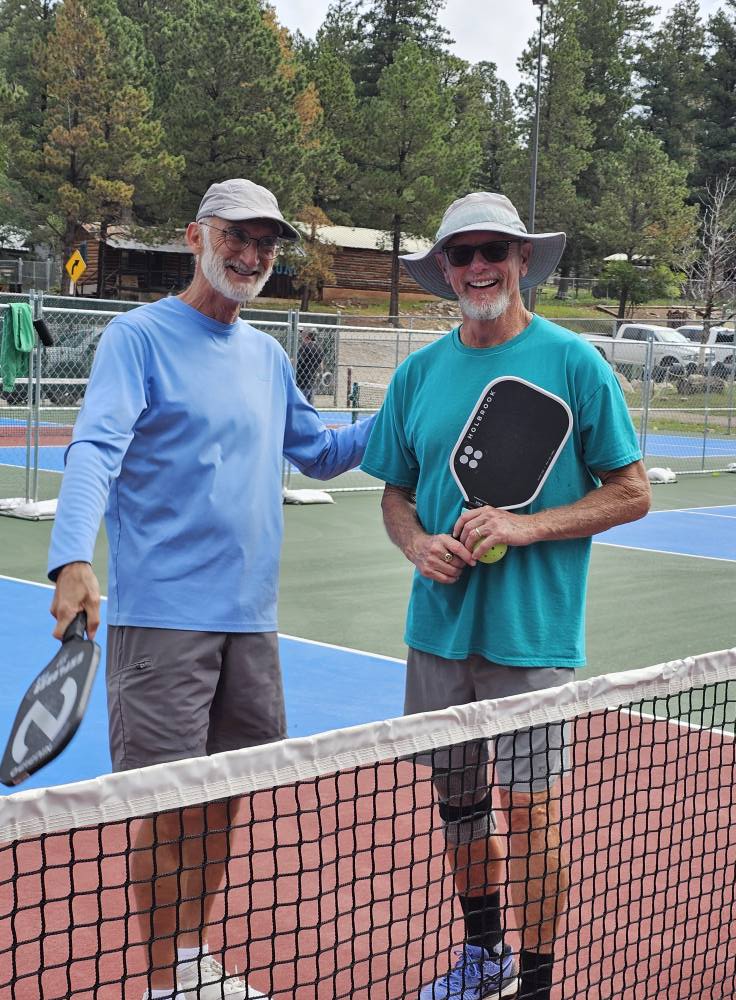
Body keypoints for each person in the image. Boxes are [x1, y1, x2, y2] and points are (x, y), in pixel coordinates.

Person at [47, 177, 375, 1000]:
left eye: (266, 243)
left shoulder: (265, 357)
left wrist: (413, 402)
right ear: (197, 236)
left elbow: (323, 454)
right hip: (161, 626)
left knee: (224, 799)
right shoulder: (137, 337)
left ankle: (191, 960)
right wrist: (71, 558)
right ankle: (163, 984)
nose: (252, 254)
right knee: (164, 810)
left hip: (252, 627)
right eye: (238, 236)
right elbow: (94, 450)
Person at [360, 192, 651, 1000]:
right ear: (446, 270)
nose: (479, 266)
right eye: (463, 253)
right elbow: (394, 494)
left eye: (496, 250)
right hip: (437, 634)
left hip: (530, 634)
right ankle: (484, 957)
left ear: (524, 261)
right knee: (460, 810)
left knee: (530, 815)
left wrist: (528, 528)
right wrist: (418, 543)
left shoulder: (573, 363)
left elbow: (629, 492)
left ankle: (536, 982)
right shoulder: (418, 373)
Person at [295, 328, 324, 403]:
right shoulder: (319, 348)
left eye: (302, 332)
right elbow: (321, 367)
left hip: (301, 381)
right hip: (311, 381)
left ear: (307, 335)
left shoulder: (303, 347)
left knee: (300, 404)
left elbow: (295, 361)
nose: (300, 335)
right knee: (309, 404)